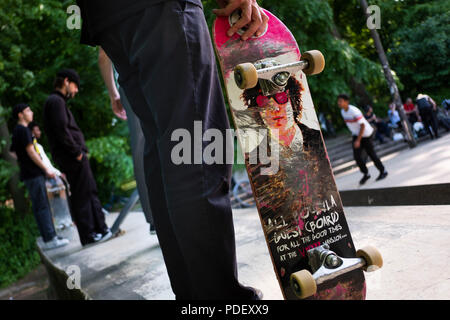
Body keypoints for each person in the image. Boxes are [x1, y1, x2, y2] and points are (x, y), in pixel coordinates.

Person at [75, 0, 268, 299]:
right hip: (162, 9)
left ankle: (193, 296)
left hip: (108, 17)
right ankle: (218, 299)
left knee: (165, 147)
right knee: (196, 146)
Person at [42, 69, 112, 246]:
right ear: (66, 81)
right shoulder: (55, 102)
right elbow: (61, 131)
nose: (77, 90)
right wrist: (77, 153)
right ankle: (90, 234)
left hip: (73, 157)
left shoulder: (57, 102)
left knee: (88, 191)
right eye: (75, 85)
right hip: (72, 158)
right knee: (83, 194)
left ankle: (99, 230)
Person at [98, 47, 155, 235]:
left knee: (141, 145)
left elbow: (103, 57)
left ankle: (155, 219)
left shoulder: (104, 15)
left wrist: (113, 93)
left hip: (129, 80)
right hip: (159, 68)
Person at [9, 103, 69, 250]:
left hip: (29, 174)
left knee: (39, 206)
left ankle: (49, 237)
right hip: (34, 174)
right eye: (28, 110)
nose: (31, 112)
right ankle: (51, 238)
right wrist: (45, 168)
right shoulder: (23, 130)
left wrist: (23, 161)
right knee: (42, 206)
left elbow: (13, 152)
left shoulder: (17, 131)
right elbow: (31, 151)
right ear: (20, 115)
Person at [337, 94, 388, 185]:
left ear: (346, 101)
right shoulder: (343, 112)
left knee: (371, 154)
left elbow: (363, 125)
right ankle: (366, 174)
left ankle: (383, 171)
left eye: (341, 101)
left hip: (366, 134)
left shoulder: (354, 111)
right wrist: (356, 138)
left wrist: (358, 140)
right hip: (357, 134)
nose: (339, 103)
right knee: (357, 156)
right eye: (338, 101)